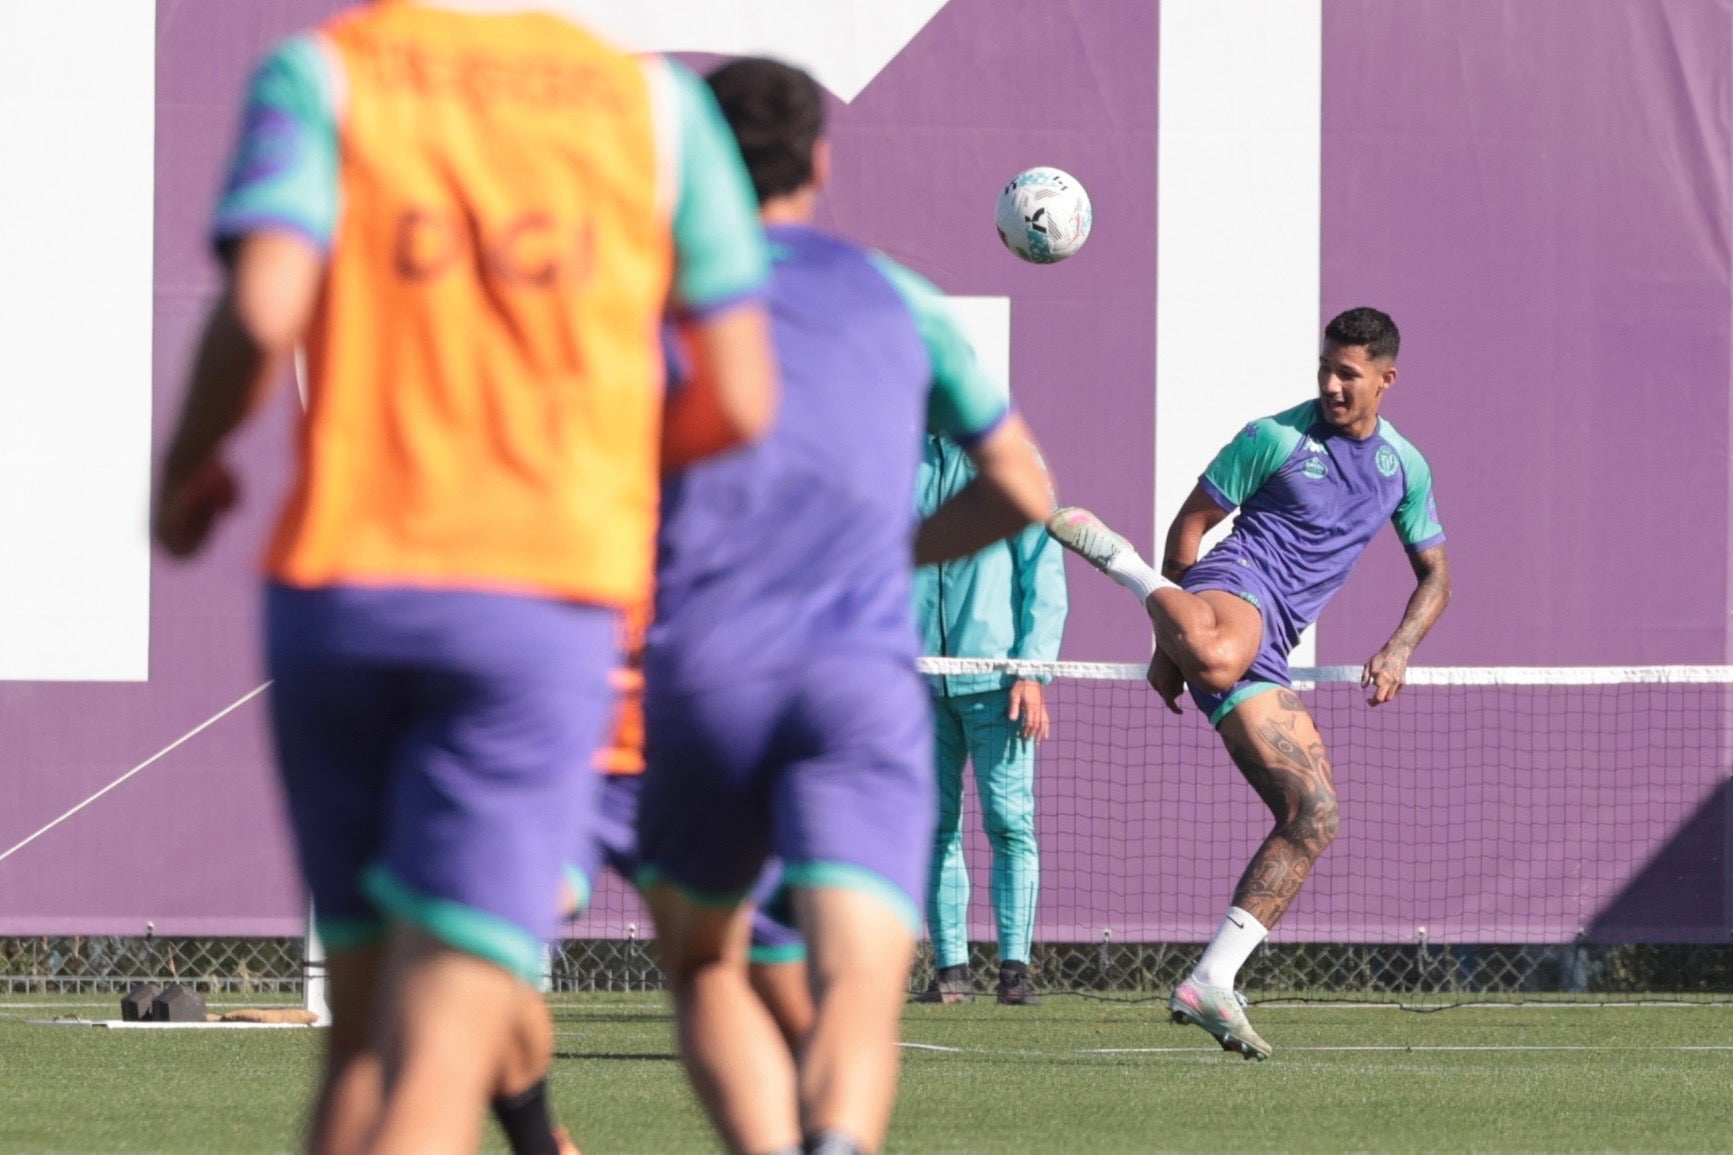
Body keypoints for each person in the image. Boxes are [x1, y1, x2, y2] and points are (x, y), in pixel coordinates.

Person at [153, 3, 776, 1151]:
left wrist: (185, 474)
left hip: (340, 586)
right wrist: (600, 466)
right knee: (440, 1045)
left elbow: (260, 311)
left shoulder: (325, 74)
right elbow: (736, 396)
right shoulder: (655, 108)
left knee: (364, 1037)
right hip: (532, 602)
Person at [636, 58, 1056, 1155]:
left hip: (708, 666)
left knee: (707, 961)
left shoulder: (640, 296)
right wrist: (896, 551)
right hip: (858, 676)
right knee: (859, 987)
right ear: (819, 161)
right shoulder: (896, 296)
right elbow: (1024, 491)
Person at [1047, 307, 1450, 1060]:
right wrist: (1167, 632)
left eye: (1348, 374)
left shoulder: (1406, 468)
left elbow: (1437, 573)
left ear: (1386, 379)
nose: (1331, 384)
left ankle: (1211, 979)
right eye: (1324, 369)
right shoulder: (1273, 438)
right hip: (1234, 581)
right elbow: (1191, 528)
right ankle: (1120, 563)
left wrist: (1399, 646)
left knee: (1315, 814)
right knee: (1220, 651)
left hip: (1268, 643)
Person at [914, 434, 1067, 1006]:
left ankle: (1014, 973)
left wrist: (1032, 672)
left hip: (998, 686)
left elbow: (1043, 576)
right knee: (936, 826)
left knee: (1009, 823)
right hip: (918, 683)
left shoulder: (1014, 460)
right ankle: (952, 972)